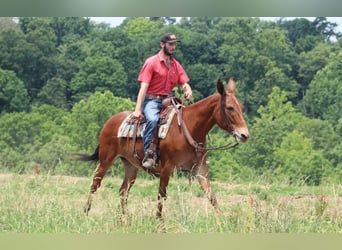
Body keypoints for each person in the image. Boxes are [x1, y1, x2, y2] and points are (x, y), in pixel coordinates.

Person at [132, 32, 192, 169]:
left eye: (174, 44)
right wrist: (137, 109)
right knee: (153, 120)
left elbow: (184, 82)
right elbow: (144, 87)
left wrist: (188, 89)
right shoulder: (151, 62)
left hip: (168, 100)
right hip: (152, 100)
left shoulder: (175, 65)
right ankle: (149, 153)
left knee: (183, 119)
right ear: (162, 44)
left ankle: (183, 154)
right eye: (170, 44)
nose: (173, 47)